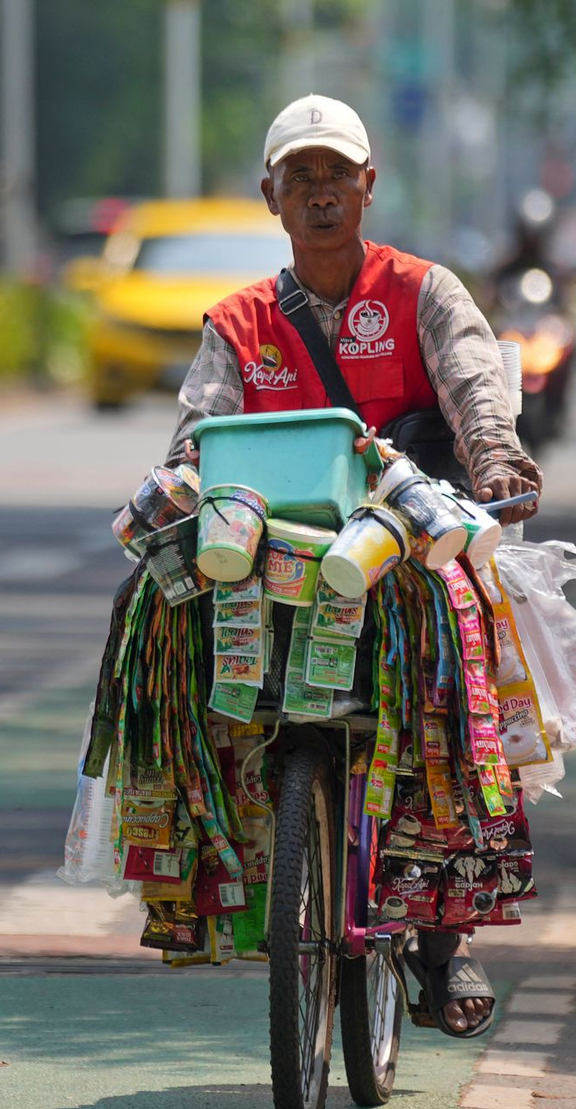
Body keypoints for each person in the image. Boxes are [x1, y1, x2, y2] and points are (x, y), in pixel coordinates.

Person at [165, 94, 543, 1036]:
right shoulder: (238, 321)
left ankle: (446, 939)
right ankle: (222, 865)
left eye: (338, 174)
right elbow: (194, 436)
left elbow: (473, 387)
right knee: (169, 637)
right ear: (272, 197)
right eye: (303, 177)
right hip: (273, 566)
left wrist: (496, 461)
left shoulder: (425, 291)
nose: (322, 193)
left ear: (369, 186)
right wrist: (173, 488)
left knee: (452, 683)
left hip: (403, 558)